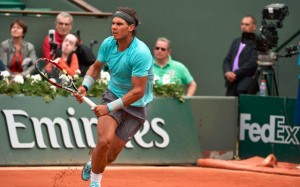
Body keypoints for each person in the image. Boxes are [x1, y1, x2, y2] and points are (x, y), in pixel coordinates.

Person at [74, 7, 153, 187]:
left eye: (119, 24)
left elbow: (138, 91)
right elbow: (95, 67)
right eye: (113, 24)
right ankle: (95, 183)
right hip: (113, 94)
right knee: (103, 142)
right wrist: (85, 85)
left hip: (137, 105)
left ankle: (91, 163)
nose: (114, 27)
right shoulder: (108, 44)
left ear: (131, 27)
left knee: (109, 156)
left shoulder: (140, 52)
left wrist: (108, 108)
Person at [223, 15, 259, 96]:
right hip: (231, 84)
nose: (244, 26)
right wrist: (227, 72)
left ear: (253, 27)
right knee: (229, 107)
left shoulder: (257, 43)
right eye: (242, 24)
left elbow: (252, 63)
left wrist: (235, 74)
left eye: (247, 24)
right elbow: (227, 60)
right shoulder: (236, 41)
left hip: (245, 84)